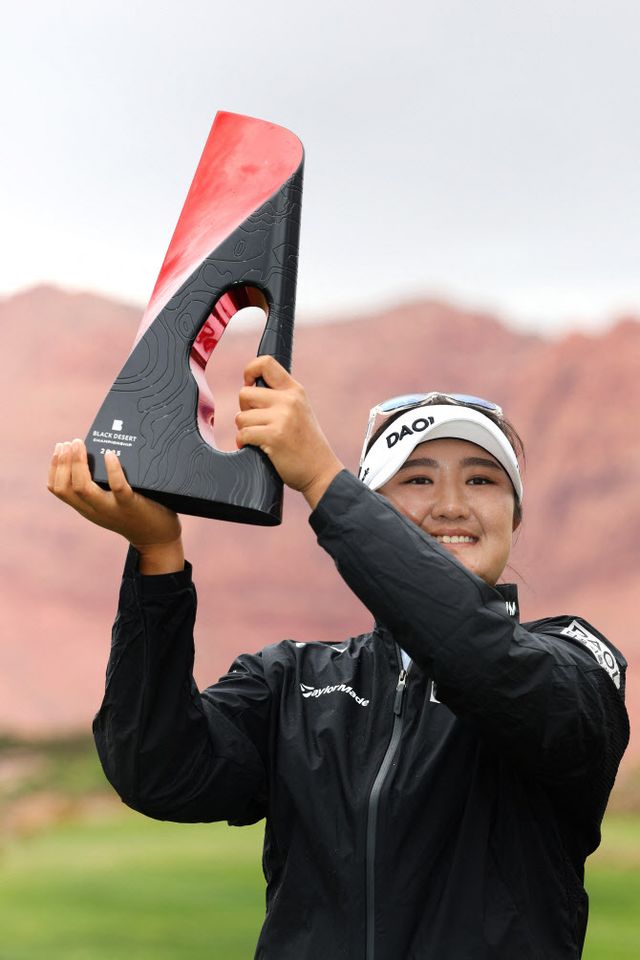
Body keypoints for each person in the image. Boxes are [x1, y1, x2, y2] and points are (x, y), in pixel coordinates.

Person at [48, 355, 629, 959]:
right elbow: (157, 770)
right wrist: (157, 556)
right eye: (418, 479)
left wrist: (322, 477)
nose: (452, 505)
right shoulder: (291, 680)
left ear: (516, 515)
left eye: (482, 481)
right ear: (373, 510)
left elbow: (482, 659)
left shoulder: (577, 661)